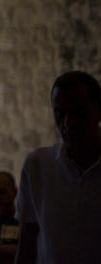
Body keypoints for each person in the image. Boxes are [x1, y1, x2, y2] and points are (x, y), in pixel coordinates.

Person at [15, 70, 101, 264]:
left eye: (79, 112)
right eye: (60, 113)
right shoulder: (38, 166)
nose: (68, 123)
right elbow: (27, 244)